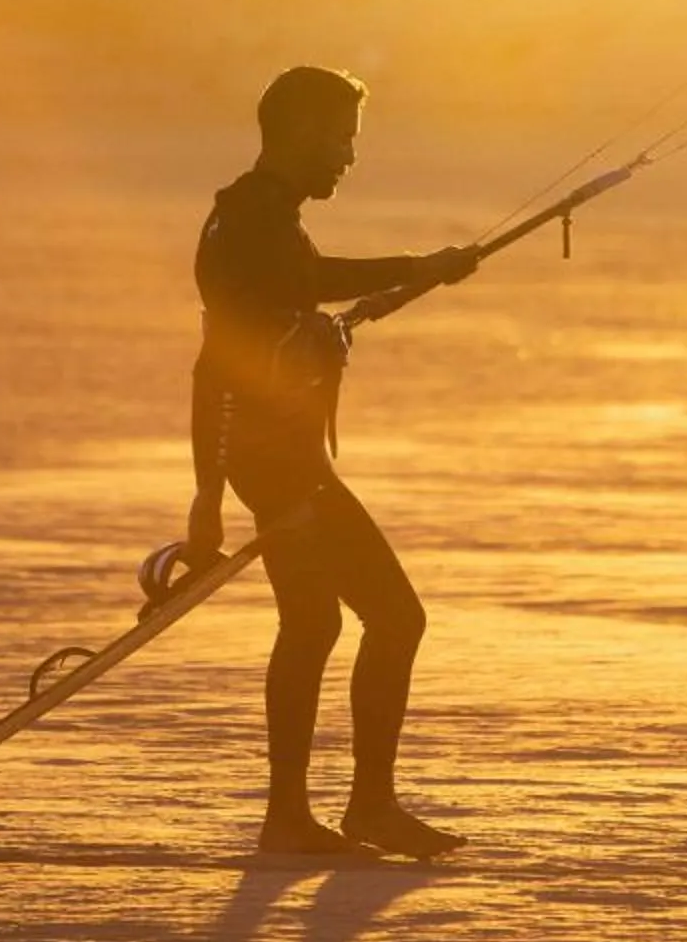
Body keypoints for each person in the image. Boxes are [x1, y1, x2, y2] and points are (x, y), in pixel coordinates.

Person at [183, 64, 478, 860]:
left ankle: (299, 819)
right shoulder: (252, 223)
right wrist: (206, 499)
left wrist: (415, 271)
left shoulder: (255, 216)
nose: (348, 157)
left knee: (311, 624)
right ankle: (363, 811)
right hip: (279, 465)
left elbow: (298, 293)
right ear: (300, 134)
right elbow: (241, 344)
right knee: (396, 617)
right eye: (341, 139)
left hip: (271, 458)